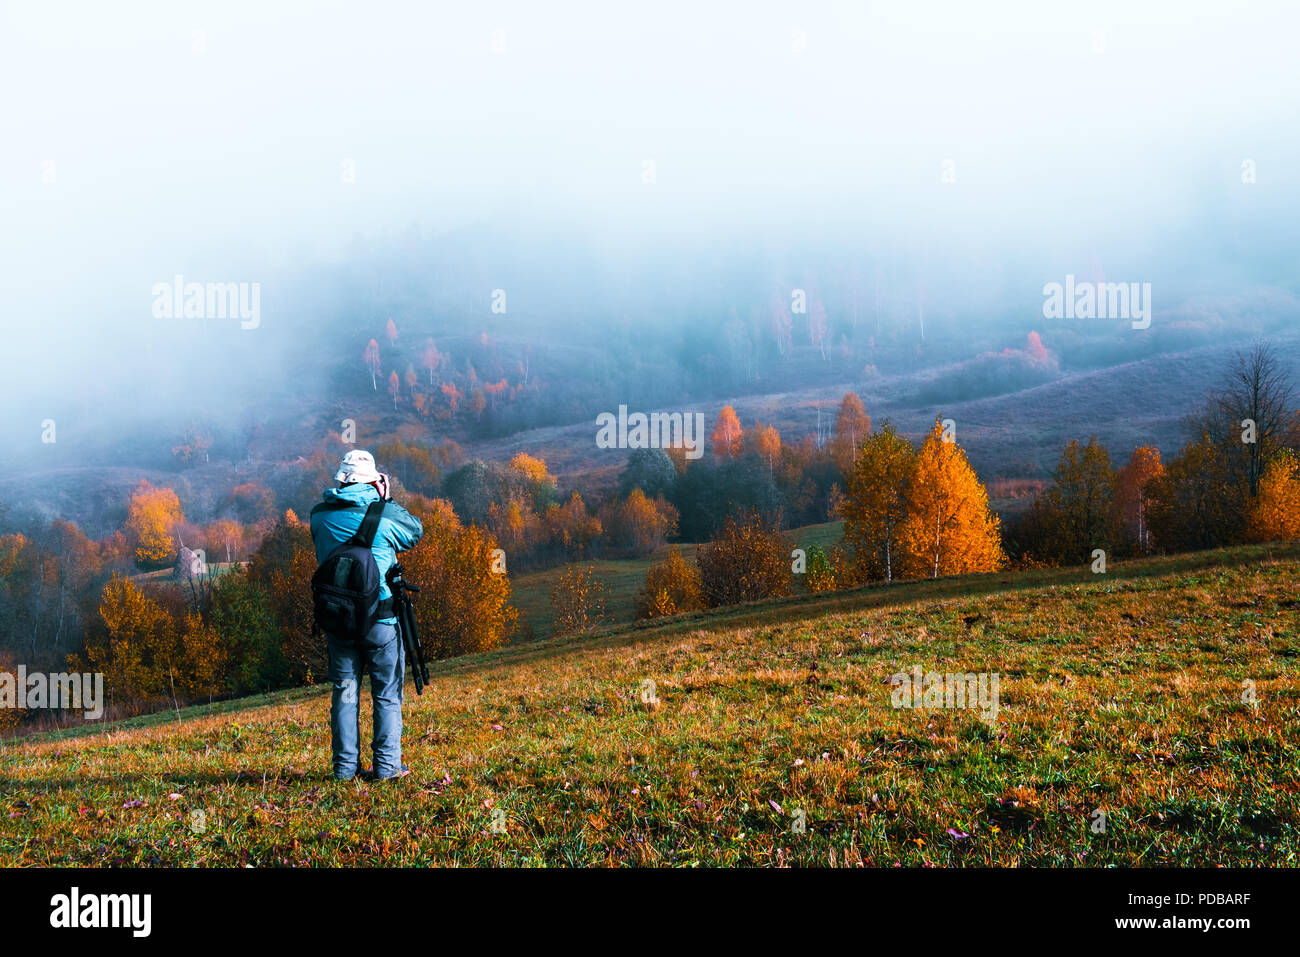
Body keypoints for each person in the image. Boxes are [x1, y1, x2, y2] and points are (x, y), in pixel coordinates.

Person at [309, 449, 423, 780]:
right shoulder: (384, 516)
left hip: (339, 621)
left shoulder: (318, 517)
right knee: (386, 693)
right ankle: (387, 767)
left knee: (345, 694)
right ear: (375, 481)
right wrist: (385, 499)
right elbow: (414, 532)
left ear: (341, 480)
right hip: (381, 620)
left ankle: (345, 770)